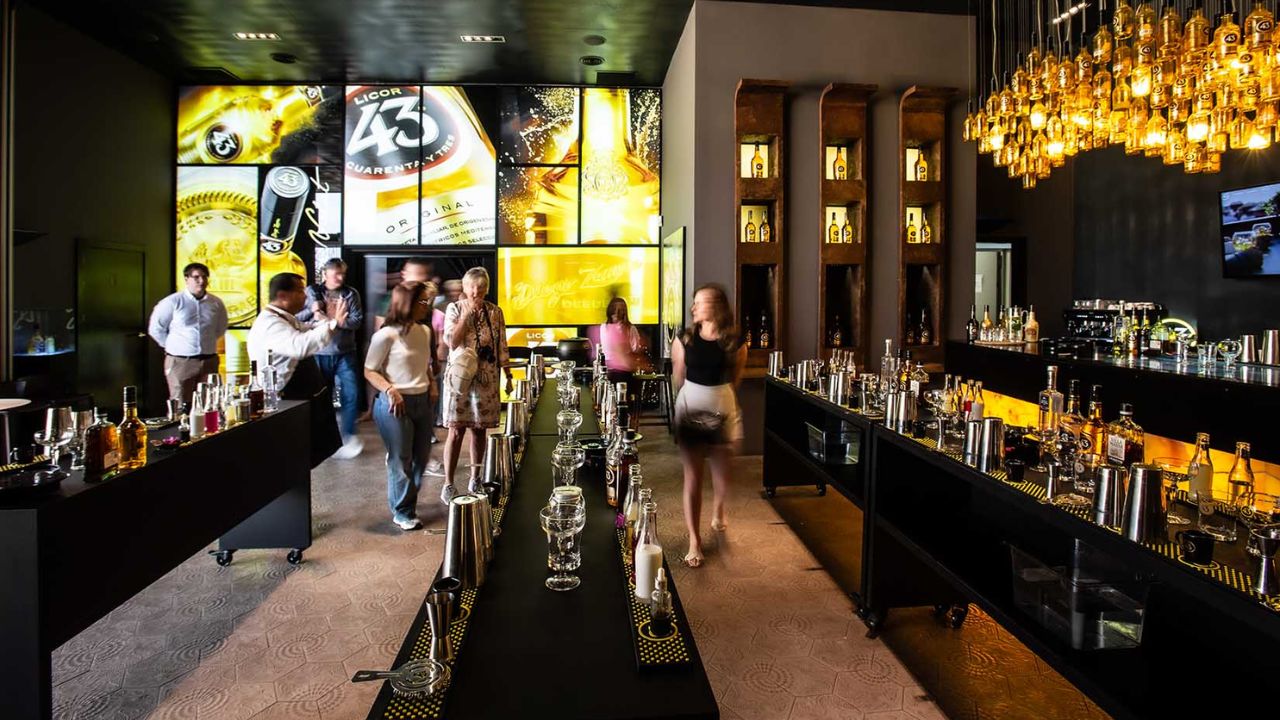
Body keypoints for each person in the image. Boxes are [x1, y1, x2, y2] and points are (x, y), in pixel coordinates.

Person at [670, 283, 747, 568]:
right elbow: (678, 376)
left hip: (722, 408)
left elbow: (735, 378)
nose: (693, 308)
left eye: (699, 302)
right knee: (693, 477)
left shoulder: (735, 342)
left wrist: (719, 402)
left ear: (717, 306)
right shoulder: (684, 338)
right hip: (691, 407)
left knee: (722, 476)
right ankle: (694, 541)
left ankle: (718, 510)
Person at [247, 273, 348, 467]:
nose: (305, 296)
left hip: (299, 395)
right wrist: (333, 324)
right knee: (293, 455)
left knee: (305, 453)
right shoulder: (270, 324)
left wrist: (328, 322)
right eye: (300, 291)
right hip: (285, 397)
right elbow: (299, 346)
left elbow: (307, 329)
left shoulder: (284, 319)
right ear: (283, 295)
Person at [365, 281, 440, 531]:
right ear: (407, 303)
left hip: (423, 401)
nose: (426, 306)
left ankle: (406, 501)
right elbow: (369, 370)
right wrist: (390, 389)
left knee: (421, 457)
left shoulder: (424, 331)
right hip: (394, 404)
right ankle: (403, 511)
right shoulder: (385, 335)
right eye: (422, 301)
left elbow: (425, 364)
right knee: (401, 459)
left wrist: (432, 384)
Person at [441, 267, 512, 503]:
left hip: (486, 378)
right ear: (464, 287)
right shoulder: (454, 308)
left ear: (486, 289)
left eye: (480, 287)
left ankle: (476, 478)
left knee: (480, 430)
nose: (475, 292)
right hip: (460, 379)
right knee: (456, 430)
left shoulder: (495, 312)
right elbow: (452, 342)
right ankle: (448, 483)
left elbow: (501, 344)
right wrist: (466, 315)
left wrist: (508, 374)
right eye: (472, 286)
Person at [297, 258, 364, 459]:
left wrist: (335, 321)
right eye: (336, 274)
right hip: (320, 352)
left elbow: (356, 321)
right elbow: (298, 318)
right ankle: (324, 437)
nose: (340, 278)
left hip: (345, 352)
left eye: (343, 274)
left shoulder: (350, 294)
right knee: (321, 397)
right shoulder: (312, 292)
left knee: (351, 394)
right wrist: (314, 310)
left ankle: (348, 435)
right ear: (325, 274)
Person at [147, 262, 229, 404]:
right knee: (180, 402)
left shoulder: (216, 303)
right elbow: (156, 329)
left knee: (210, 402)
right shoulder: (173, 302)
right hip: (181, 362)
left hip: (208, 361)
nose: (201, 281)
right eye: (196, 277)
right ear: (186, 279)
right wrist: (174, 346)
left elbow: (220, 328)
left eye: (204, 277)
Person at [599, 297, 650, 428]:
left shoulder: (625, 328)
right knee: (620, 403)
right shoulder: (609, 328)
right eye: (616, 310)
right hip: (617, 370)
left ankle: (621, 427)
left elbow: (634, 348)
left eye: (621, 310)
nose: (618, 313)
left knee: (617, 403)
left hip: (617, 370)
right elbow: (634, 348)